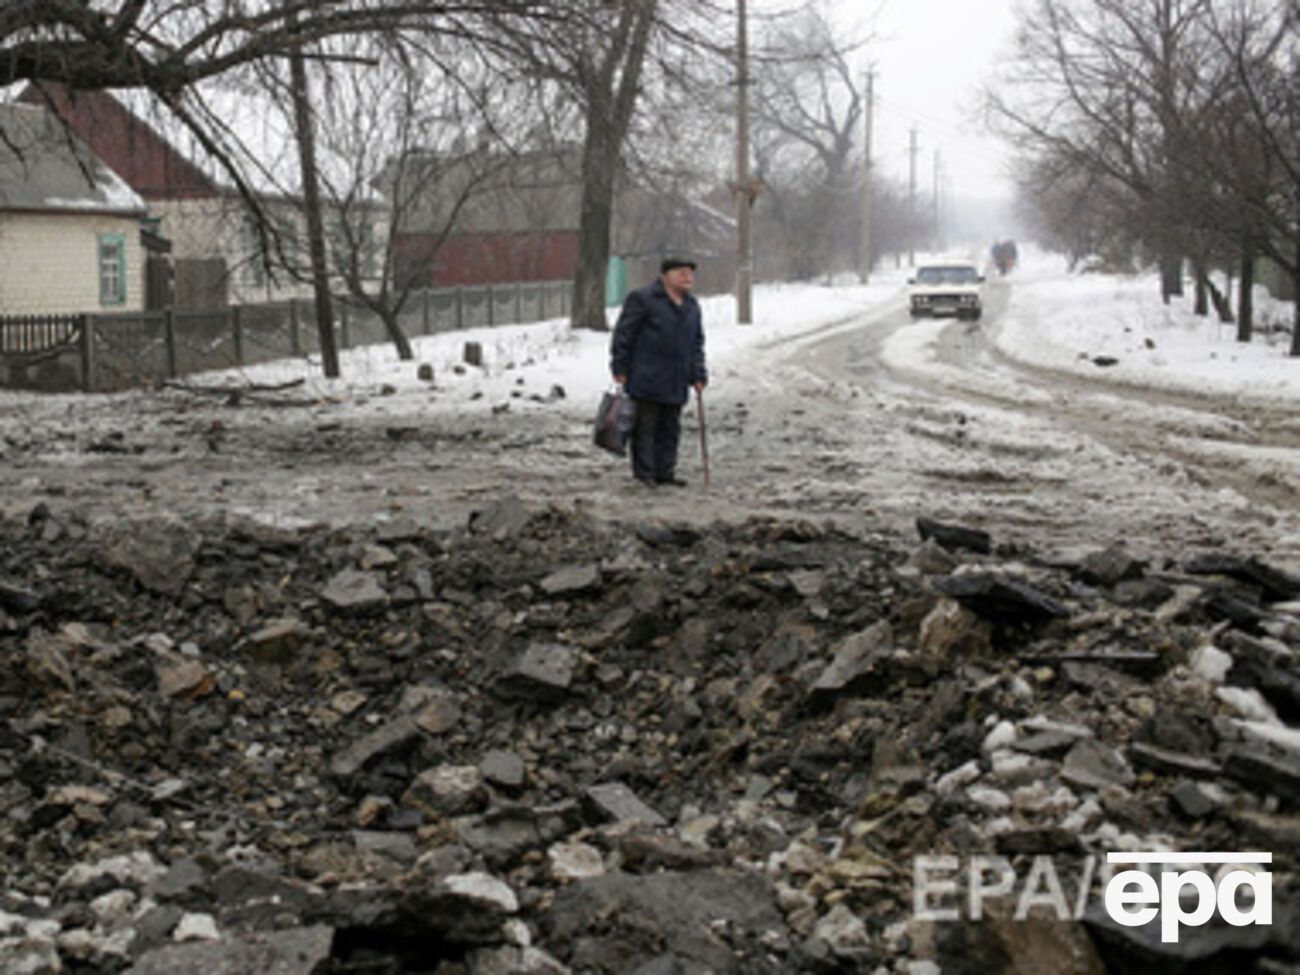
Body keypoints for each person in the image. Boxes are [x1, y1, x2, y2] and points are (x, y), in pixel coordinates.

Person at [610, 256, 708, 487]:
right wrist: (619, 366)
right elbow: (624, 335)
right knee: (645, 427)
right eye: (681, 272)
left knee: (670, 427)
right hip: (646, 375)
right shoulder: (643, 299)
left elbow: (696, 343)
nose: (687, 277)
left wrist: (698, 374)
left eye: (690, 273)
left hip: (677, 377)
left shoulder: (692, 306)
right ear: (665, 276)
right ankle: (645, 474)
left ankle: (666, 472)